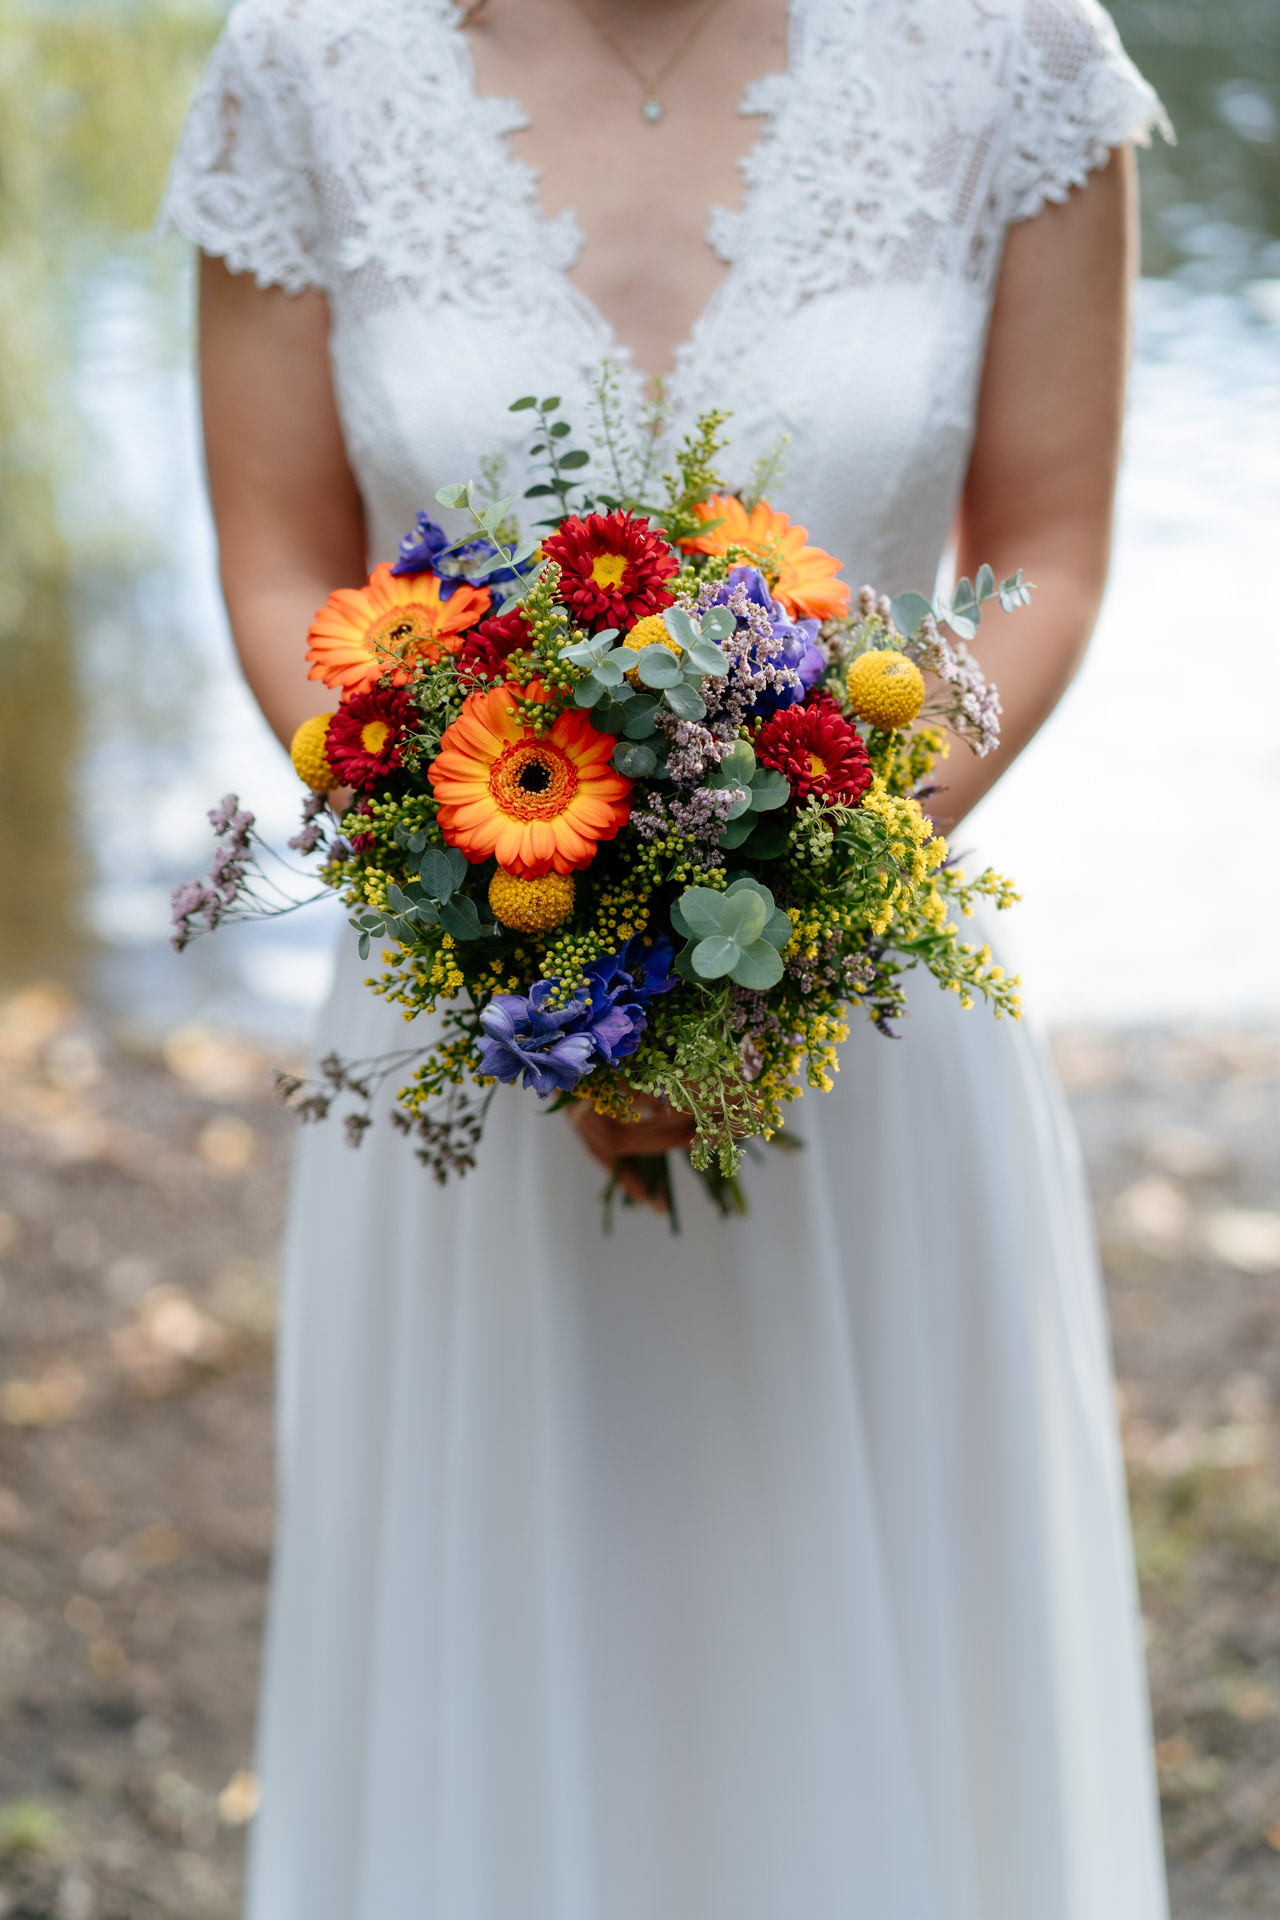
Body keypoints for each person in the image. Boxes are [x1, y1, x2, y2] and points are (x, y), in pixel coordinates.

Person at [163, 1, 1172, 1914]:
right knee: (503, 1654)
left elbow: (1043, 553)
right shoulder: (301, 59)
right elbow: (284, 568)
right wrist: (500, 912)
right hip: (462, 1021)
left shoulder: (1017, 48)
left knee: (880, 1661)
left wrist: (801, 898)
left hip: (868, 998)